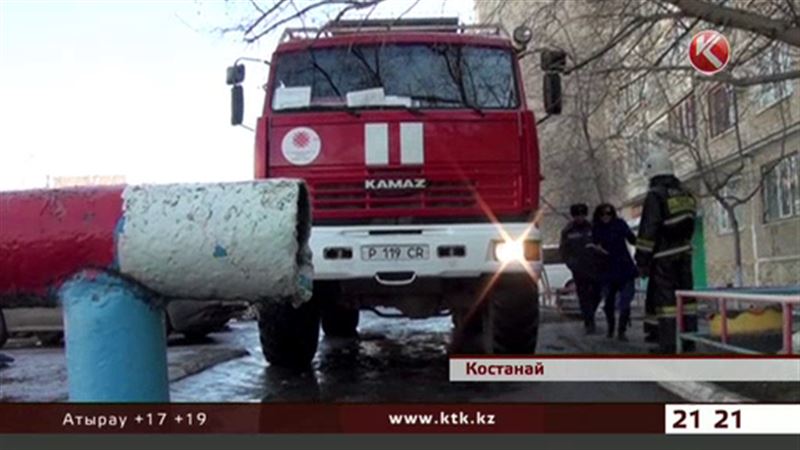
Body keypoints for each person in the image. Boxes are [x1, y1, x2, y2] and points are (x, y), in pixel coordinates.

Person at [634, 149, 698, 353]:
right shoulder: (686, 193)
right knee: (687, 299)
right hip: (685, 253)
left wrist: (642, 259)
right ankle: (689, 341)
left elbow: (648, 230)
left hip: (663, 257)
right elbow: (690, 222)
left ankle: (668, 345)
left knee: (666, 303)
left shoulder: (655, 195)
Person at [592, 204, 638, 341]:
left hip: (624, 268)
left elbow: (632, 239)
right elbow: (592, 245)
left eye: (609, 214)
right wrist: (597, 250)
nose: (606, 217)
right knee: (609, 303)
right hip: (607, 270)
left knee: (625, 301)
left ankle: (621, 331)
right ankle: (611, 328)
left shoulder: (619, 224)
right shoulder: (596, 228)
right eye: (603, 215)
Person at [559, 203, 603, 334]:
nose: (580, 218)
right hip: (579, 269)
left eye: (582, 215)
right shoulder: (568, 231)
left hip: (595, 267)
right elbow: (563, 251)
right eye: (577, 215)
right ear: (573, 216)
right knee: (584, 296)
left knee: (597, 294)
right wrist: (571, 264)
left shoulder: (593, 228)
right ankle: (589, 322)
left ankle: (590, 314)